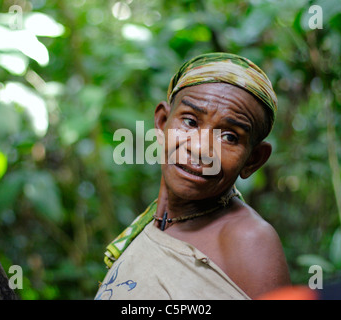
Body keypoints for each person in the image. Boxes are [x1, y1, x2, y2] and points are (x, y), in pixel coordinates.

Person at [95, 52, 291, 300]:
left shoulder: (249, 242)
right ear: (162, 122)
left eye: (229, 137)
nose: (199, 149)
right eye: (189, 122)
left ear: (253, 159)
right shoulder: (152, 223)